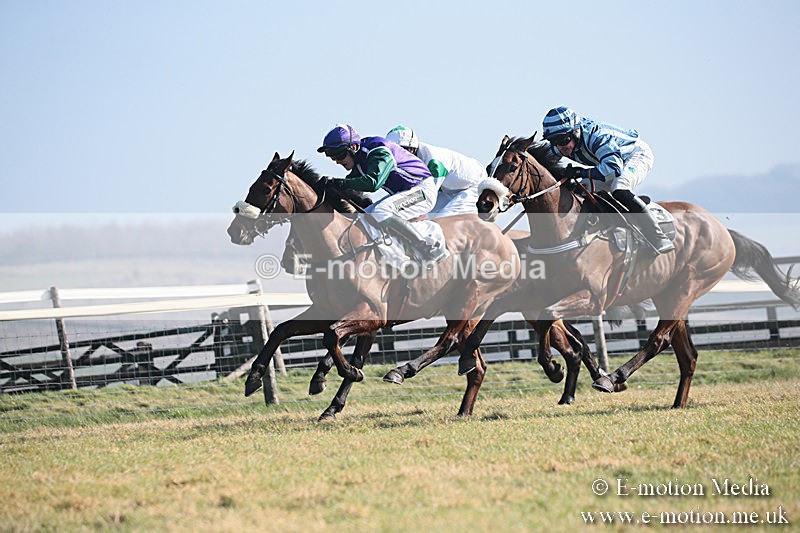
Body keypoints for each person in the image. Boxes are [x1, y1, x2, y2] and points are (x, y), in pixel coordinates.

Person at [541, 106, 674, 254]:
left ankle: (658, 236)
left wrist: (580, 171)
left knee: (619, 188)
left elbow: (612, 170)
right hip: (610, 162)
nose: (561, 147)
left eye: (563, 139)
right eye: (554, 141)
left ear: (575, 131)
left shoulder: (598, 137)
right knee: (580, 190)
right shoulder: (561, 145)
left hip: (634, 156)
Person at [316, 124, 448, 263]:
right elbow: (349, 187)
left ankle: (427, 248)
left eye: (340, 155)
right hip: (407, 192)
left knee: (381, 211)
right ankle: (398, 257)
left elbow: (373, 183)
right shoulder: (359, 161)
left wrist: (337, 183)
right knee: (362, 218)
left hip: (423, 190)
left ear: (353, 147)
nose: (337, 161)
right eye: (332, 157)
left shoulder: (378, 149)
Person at [385, 125, 486, 219]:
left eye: (398, 152)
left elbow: (427, 197)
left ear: (411, 149)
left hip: (475, 186)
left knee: (441, 220)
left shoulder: (433, 162)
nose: (395, 157)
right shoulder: (411, 158)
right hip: (446, 189)